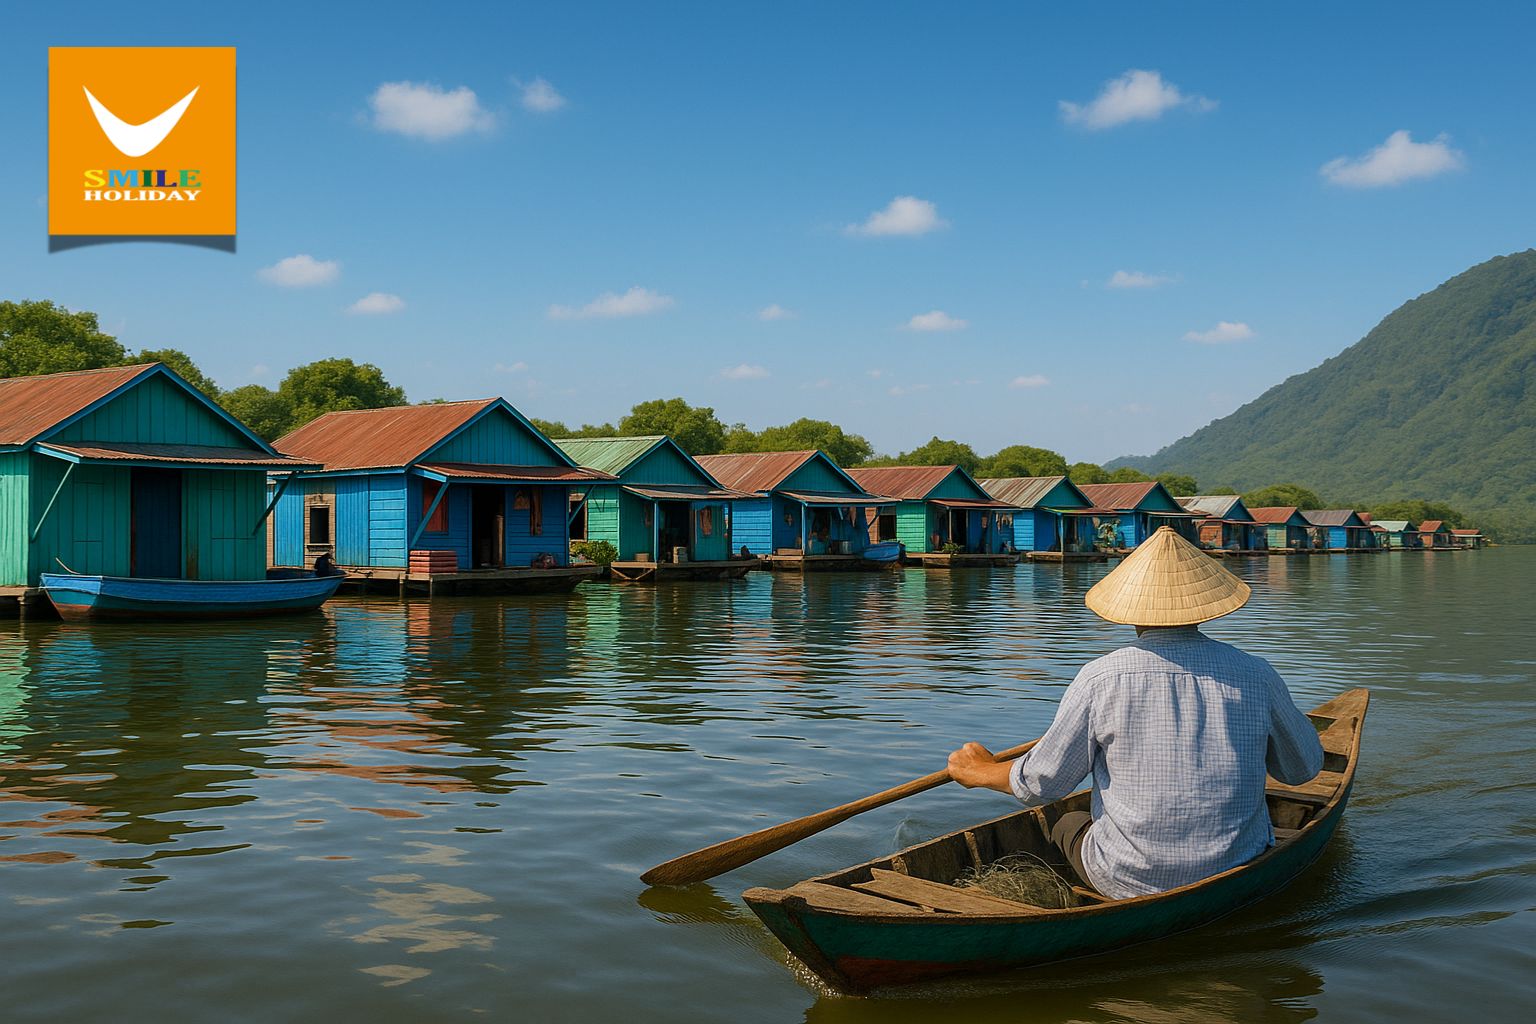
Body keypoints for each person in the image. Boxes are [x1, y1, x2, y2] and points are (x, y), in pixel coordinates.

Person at [946, 526, 1324, 900]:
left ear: (1131, 608)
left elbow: (1043, 785)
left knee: (1067, 821)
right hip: (1236, 865)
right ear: (1203, 606)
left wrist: (979, 771)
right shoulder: (1257, 674)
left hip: (1127, 880)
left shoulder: (1101, 678)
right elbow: (1301, 770)